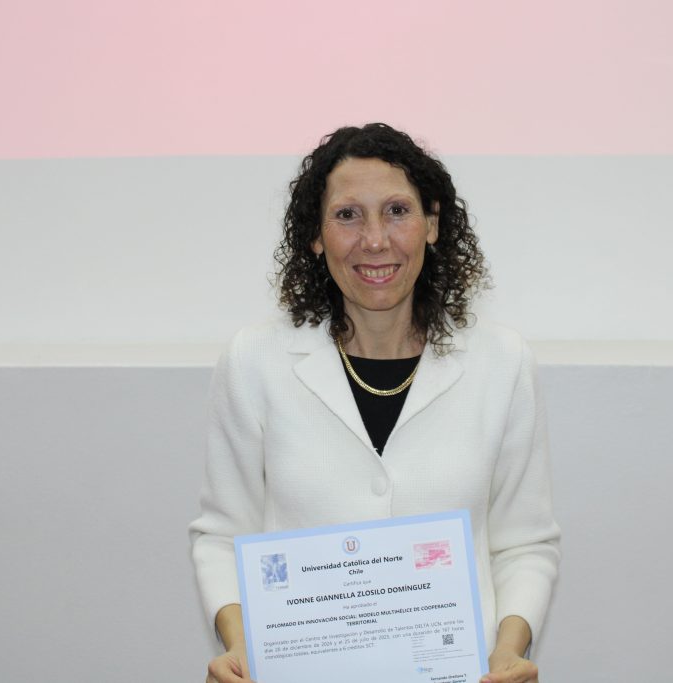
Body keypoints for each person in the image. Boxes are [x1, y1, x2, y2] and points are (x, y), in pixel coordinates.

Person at [189, 123, 561, 683]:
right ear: (316, 236)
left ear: (432, 223)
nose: (374, 240)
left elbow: (525, 543)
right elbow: (222, 535)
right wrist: (241, 648)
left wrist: (510, 651)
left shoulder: (502, 361)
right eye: (347, 216)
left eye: (396, 211)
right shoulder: (255, 360)